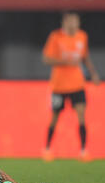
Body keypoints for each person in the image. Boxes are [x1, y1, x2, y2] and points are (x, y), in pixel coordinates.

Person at [42, 11, 100, 162]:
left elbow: (85, 57)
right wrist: (66, 62)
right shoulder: (56, 37)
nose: (74, 24)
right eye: (71, 21)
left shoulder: (82, 36)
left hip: (77, 84)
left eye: (76, 21)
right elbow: (46, 59)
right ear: (64, 22)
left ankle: (83, 151)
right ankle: (47, 149)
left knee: (81, 115)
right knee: (55, 117)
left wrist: (93, 74)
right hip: (59, 86)